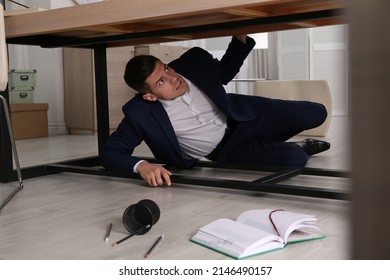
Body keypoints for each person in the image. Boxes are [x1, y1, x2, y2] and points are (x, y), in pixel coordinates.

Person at [101, 35, 330, 187]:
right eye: (161, 82)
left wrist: (240, 36)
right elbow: (111, 154)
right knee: (296, 158)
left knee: (317, 112)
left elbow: (226, 70)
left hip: (245, 115)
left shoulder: (193, 61)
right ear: (149, 95)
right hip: (229, 150)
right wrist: (142, 166)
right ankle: (300, 146)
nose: (173, 78)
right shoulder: (139, 113)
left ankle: (271, 142)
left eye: (167, 69)